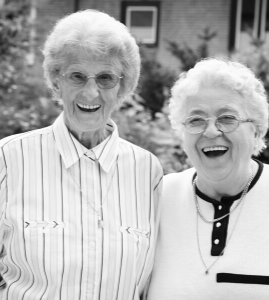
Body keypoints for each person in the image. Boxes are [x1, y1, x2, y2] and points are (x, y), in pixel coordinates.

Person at [0, 10, 163, 300]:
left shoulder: (147, 171)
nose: (91, 93)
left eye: (105, 78)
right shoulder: (9, 159)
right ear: (56, 80)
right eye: (77, 76)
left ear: (123, 86)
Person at [146, 58, 269, 300]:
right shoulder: (156, 198)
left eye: (227, 118)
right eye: (196, 120)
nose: (210, 131)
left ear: (257, 128)